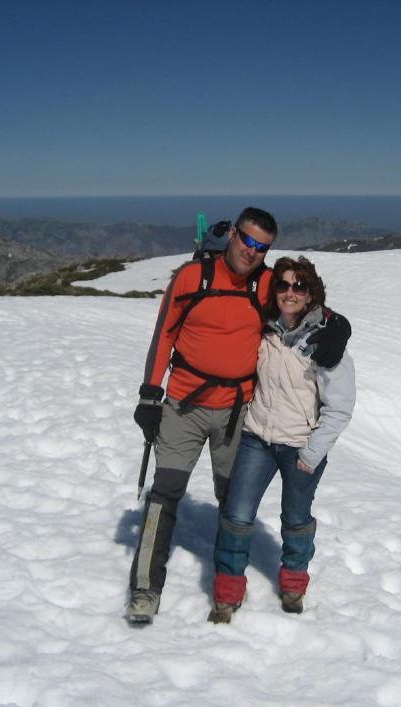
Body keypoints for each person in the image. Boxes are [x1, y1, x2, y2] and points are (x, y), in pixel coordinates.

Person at [126, 207, 351, 624]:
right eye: (246, 241)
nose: (252, 252)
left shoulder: (266, 283)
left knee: (233, 505)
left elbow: (305, 304)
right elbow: (165, 334)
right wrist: (149, 393)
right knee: (166, 492)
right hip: (184, 404)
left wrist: (340, 328)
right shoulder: (192, 278)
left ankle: (226, 587)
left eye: (261, 247)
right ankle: (144, 588)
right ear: (231, 235)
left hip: (238, 412)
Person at [209, 256, 356, 623]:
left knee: (295, 517)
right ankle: (227, 593)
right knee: (237, 515)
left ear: (311, 294)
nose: (290, 292)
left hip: (300, 445)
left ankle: (293, 583)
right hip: (257, 437)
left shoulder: (325, 342)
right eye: (284, 285)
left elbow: (339, 408)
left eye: (299, 286)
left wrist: (312, 451)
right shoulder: (264, 329)